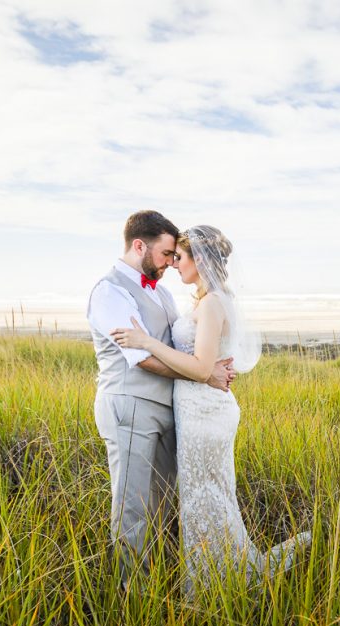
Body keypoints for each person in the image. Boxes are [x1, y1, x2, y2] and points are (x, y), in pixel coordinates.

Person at [112, 225, 311, 592]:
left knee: (204, 494)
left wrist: (145, 342)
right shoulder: (206, 300)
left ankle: (211, 584)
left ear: (200, 260)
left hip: (205, 413)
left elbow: (202, 367)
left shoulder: (213, 303)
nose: (174, 264)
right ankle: (215, 574)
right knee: (204, 493)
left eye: (180, 257)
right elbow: (206, 366)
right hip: (197, 409)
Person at [87, 210, 237, 589]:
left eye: (176, 256)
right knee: (133, 506)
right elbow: (143, 357)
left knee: (166, 503)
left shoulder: (164, 293)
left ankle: (168, 579)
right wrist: (206, 373)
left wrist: (207, 368)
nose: (171, 263)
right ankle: (132, 594)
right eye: (166, 254)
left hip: (174, 413)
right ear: (140, 245)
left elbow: (182, 348)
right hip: (130, 406)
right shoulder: (110, 292)